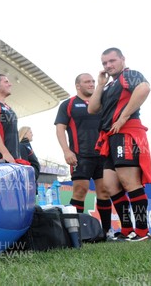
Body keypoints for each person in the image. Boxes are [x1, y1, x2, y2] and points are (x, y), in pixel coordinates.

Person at [88, 47, 151, 242]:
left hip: (126, 132)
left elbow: (144, 88)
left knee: (129, 182)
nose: (108, 66)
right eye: (104, 63)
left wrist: (123, 117)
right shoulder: (109, 85)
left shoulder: (129, 74)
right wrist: (100, 84)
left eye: (112, 61)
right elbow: (92, 108)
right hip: (110, 136)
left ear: (122, 59)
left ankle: (142, 231)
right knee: (110, 185)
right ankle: (127, 229)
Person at [54, 73, 113, 237]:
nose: (92, 84)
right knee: (80, 190)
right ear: (77, 86)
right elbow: (60, 129)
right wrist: (66, 151)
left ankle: (107, 232)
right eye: (87, 81)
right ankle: (76, 233)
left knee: (104, 191)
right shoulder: (68, 104)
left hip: (103, 154)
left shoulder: (101, 103)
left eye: (93, 81)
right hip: (80, 156)